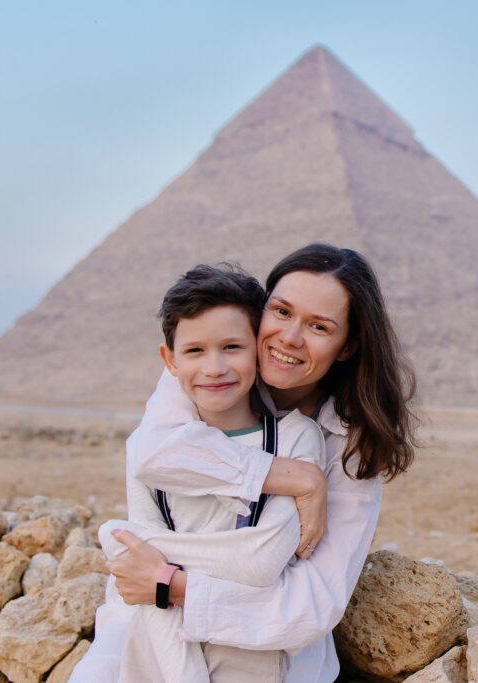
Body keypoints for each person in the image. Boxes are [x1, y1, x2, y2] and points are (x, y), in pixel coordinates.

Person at [74, 243, 417, 683]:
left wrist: (170, 583)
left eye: (318, 326)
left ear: (347, 346)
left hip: (263, 658)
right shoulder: (208, 372)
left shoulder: (347, 451)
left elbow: (311, 605)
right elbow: (152, 454)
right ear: (259, 312)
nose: (290, 338)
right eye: (281, 312)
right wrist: (296, 477)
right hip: (146, 638)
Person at [96, 264, 325, 682]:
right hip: (161, 659)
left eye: (232, 347)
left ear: (258, 348)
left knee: (115, 534)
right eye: (195, 351)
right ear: (169, 360)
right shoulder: (153, 447)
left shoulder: (296, 441)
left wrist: (157, 561)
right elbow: (149, 596)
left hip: (253, 653)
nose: (214, 367)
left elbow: (259, 563)